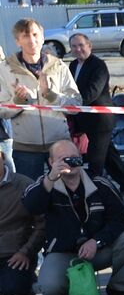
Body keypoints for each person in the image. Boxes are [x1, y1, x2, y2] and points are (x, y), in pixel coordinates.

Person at [22, 139, 124, 295]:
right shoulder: (45, 184)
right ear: (51, 162)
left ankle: (118, 288)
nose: (71, 161)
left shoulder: (99, 183)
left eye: (74, 157)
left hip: (98, 250)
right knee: (50, 286)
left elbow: (121, 218)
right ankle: (73, 290)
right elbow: (31, 206)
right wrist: (51, 178)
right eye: (64, 159)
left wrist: (97, 241)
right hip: (63, 253)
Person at [1, 19, 81, 181]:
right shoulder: (5, 69)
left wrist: (51, 95)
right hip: (26, 148)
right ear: (17, 41)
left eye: (35, 34)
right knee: (31, 195)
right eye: (25, 36)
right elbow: (2, 111)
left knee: (66, 194)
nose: (32, 40)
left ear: (43, 37)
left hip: (60, 144)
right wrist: (19, 101)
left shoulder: (58, 66)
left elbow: (76, 105)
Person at [67, 33, 118, 183]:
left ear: (89, 46)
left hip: (100, 121)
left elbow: (93, 91)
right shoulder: (73, 65)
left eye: (81, 45)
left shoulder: (99, 65)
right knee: (109, 156)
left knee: (95, 161)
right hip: (84, 119)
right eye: (74, 46)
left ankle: (95, 191)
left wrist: (73, 105)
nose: (78, 49)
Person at [0, 158, 43, 295]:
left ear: (2, 158)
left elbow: (42, 223)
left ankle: (27, 278)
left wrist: (26, 251)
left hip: (15, 254)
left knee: (15, 290)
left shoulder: (23, 184)